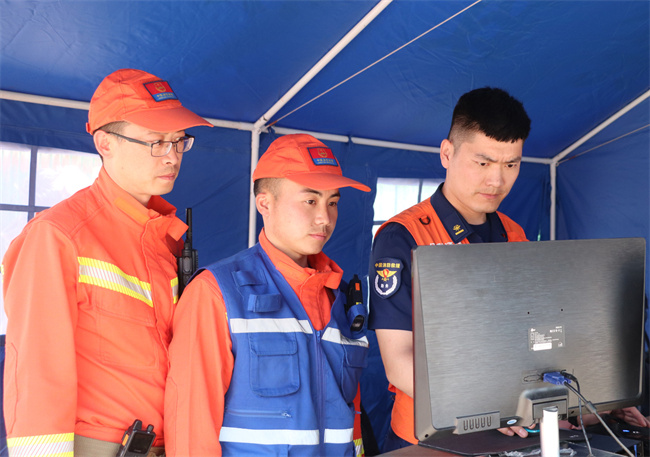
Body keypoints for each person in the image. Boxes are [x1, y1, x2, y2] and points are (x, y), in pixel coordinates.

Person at [2, 68, 212, 457]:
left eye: (179, 141)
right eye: (156, 142)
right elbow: (35, 372)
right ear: (105, 143)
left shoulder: (166, 240)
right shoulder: (58, 235)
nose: (172, 156)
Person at [165, 133, 371, 456]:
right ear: (265, 203)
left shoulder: (341, 299)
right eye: (310, 201)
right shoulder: (216, 293)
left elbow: (351, 424)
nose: (325, 218)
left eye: (332, 202)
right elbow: (191, 430)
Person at [369, 87, 532, 451]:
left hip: (508, 430)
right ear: (447, 153)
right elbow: (398, 363)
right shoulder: (403, 237)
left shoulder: (514, 234)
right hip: (429, 438)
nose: (497, 180)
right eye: (483, 163)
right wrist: (486, 410)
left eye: (511, 165)